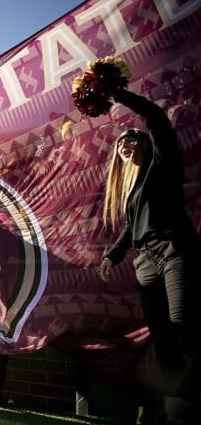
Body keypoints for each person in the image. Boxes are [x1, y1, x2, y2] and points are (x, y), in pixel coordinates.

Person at [99, 88, 200, 423]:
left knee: (183, 324)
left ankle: (191, 398)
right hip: (145, 262)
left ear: (142, 140)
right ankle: (174, 407)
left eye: (129, 138)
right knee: (162, 337)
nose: (124, 146)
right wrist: (113, 255)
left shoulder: (161, 163)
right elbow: (132, 225)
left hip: (174, 249)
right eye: (119, 145)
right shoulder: (132, 189)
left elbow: (156, 117)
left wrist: (117, 93)